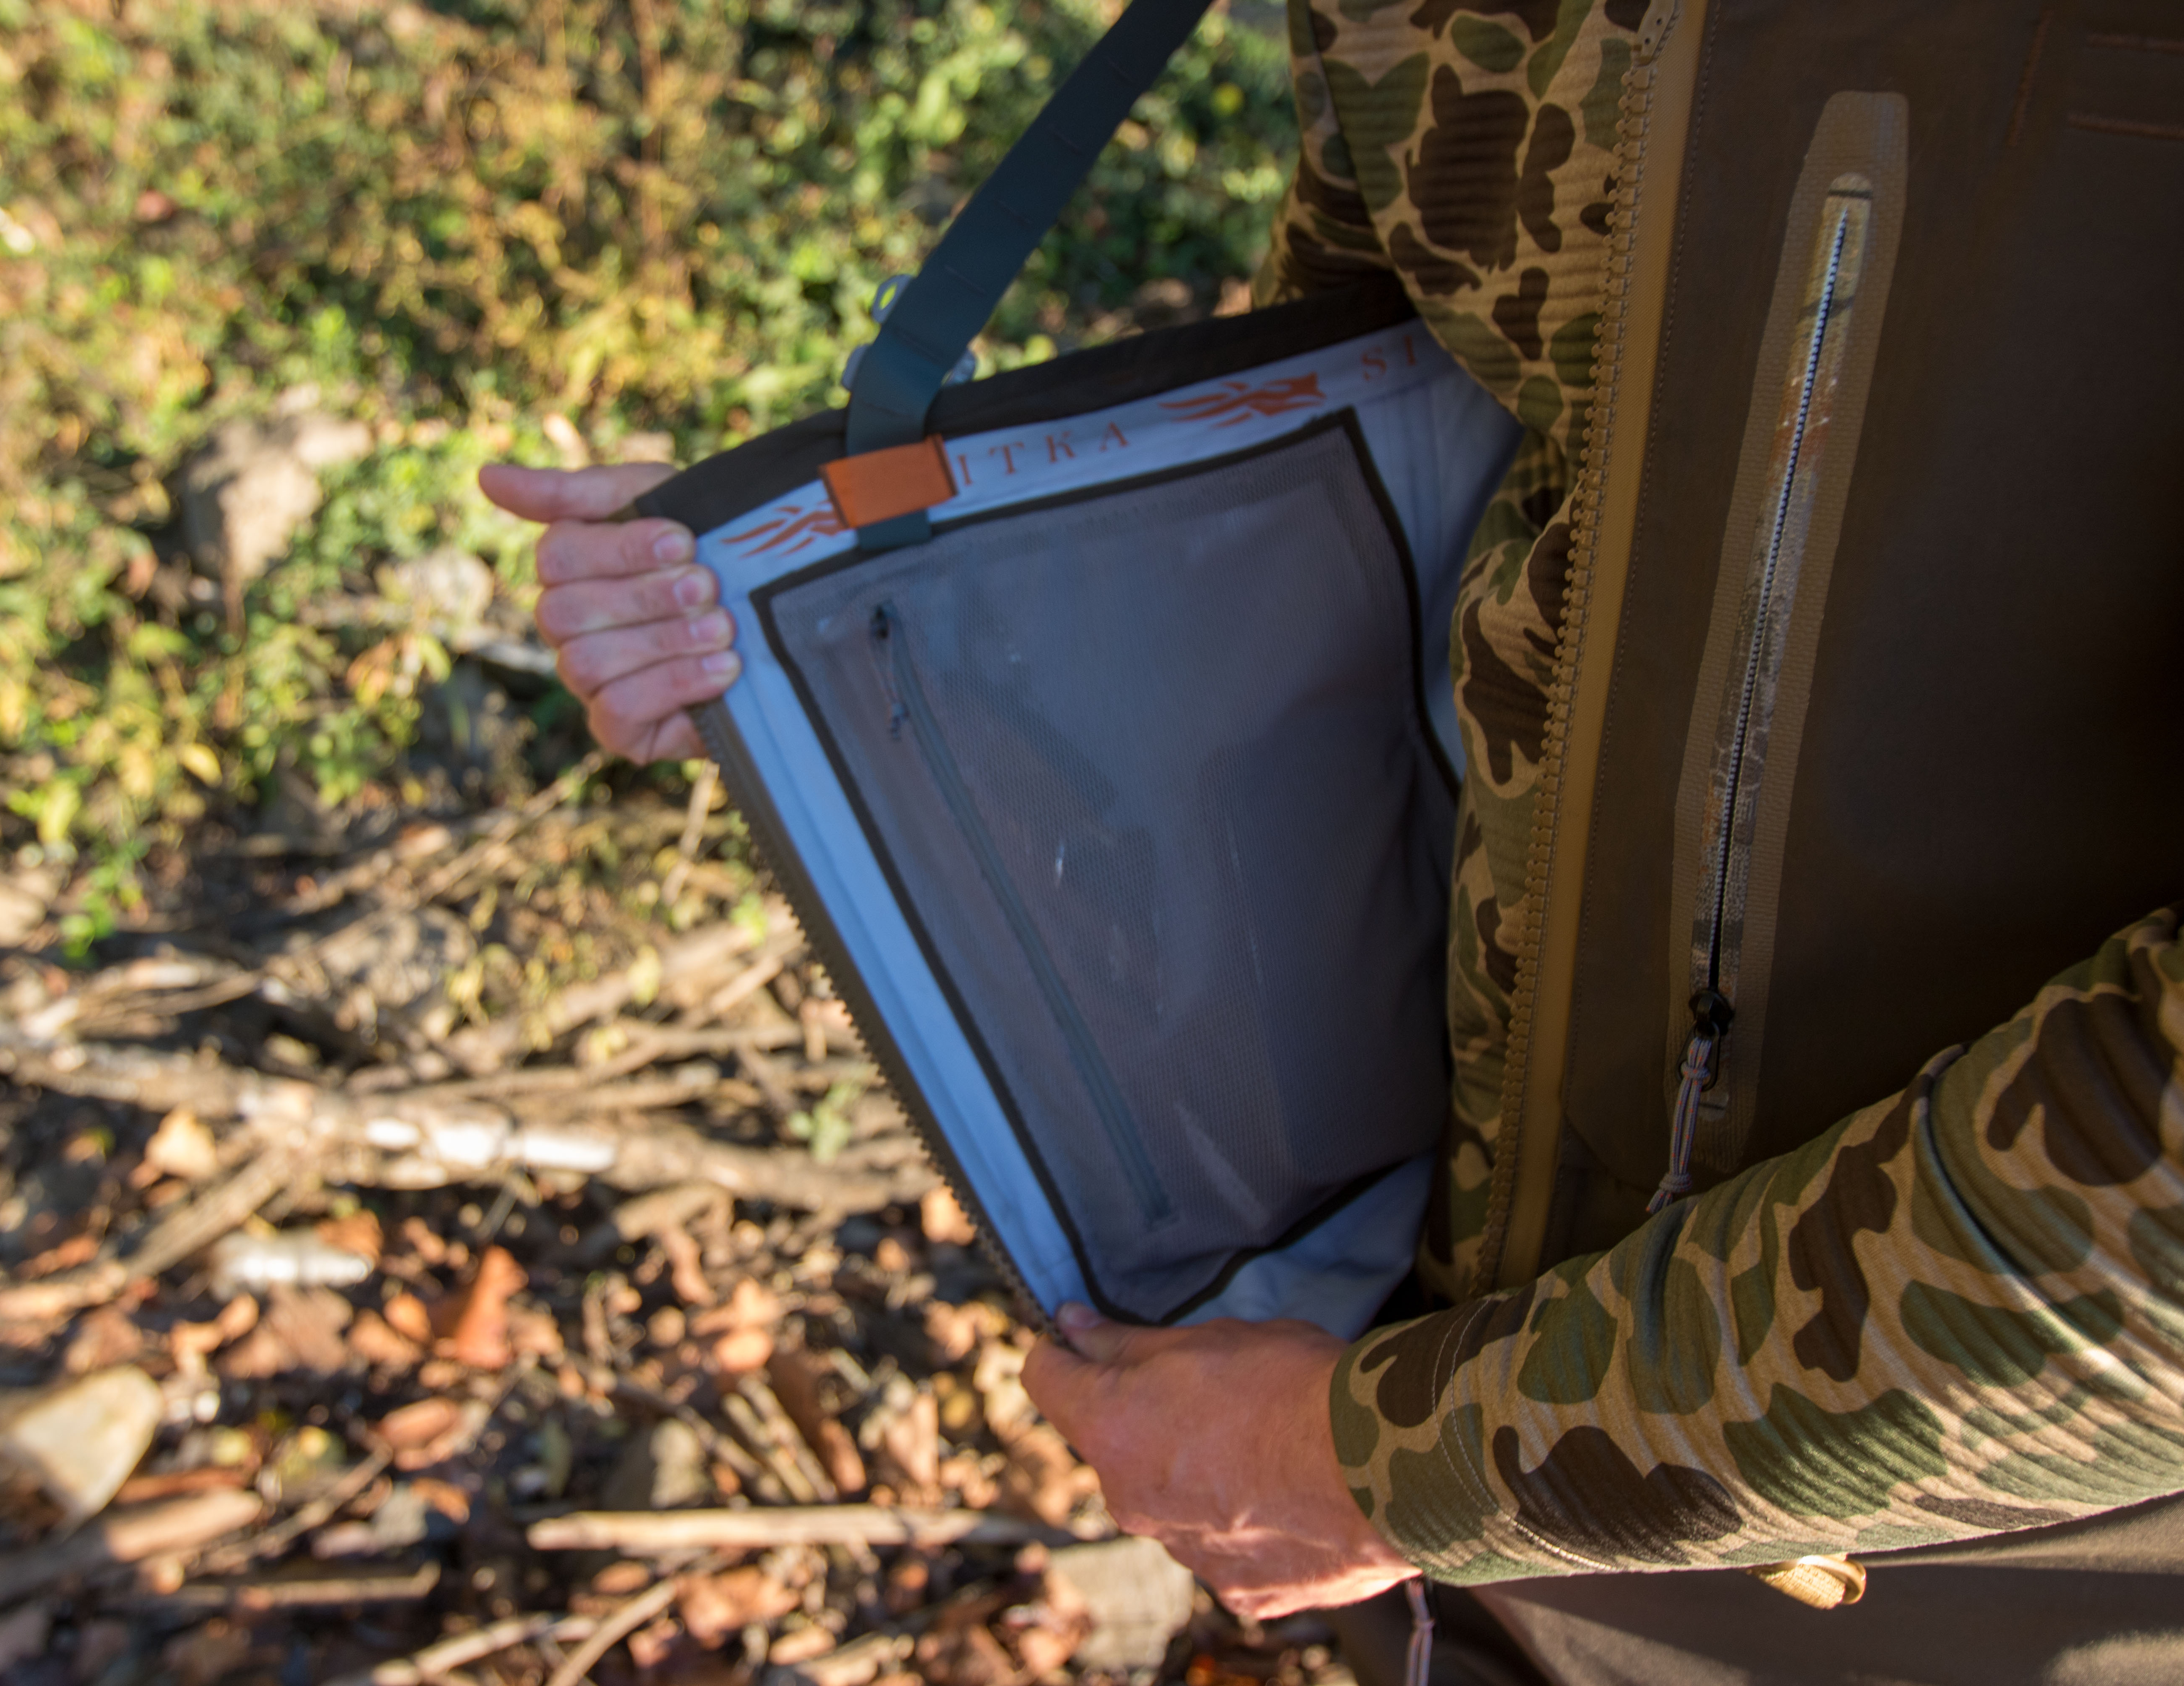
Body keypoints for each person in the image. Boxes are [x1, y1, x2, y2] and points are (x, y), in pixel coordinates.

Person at [482, 1, 2184, 1679]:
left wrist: (1401, 1463)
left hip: (1970, 1590)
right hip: (1459, 1502)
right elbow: (1378, 529)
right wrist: (820, 642)